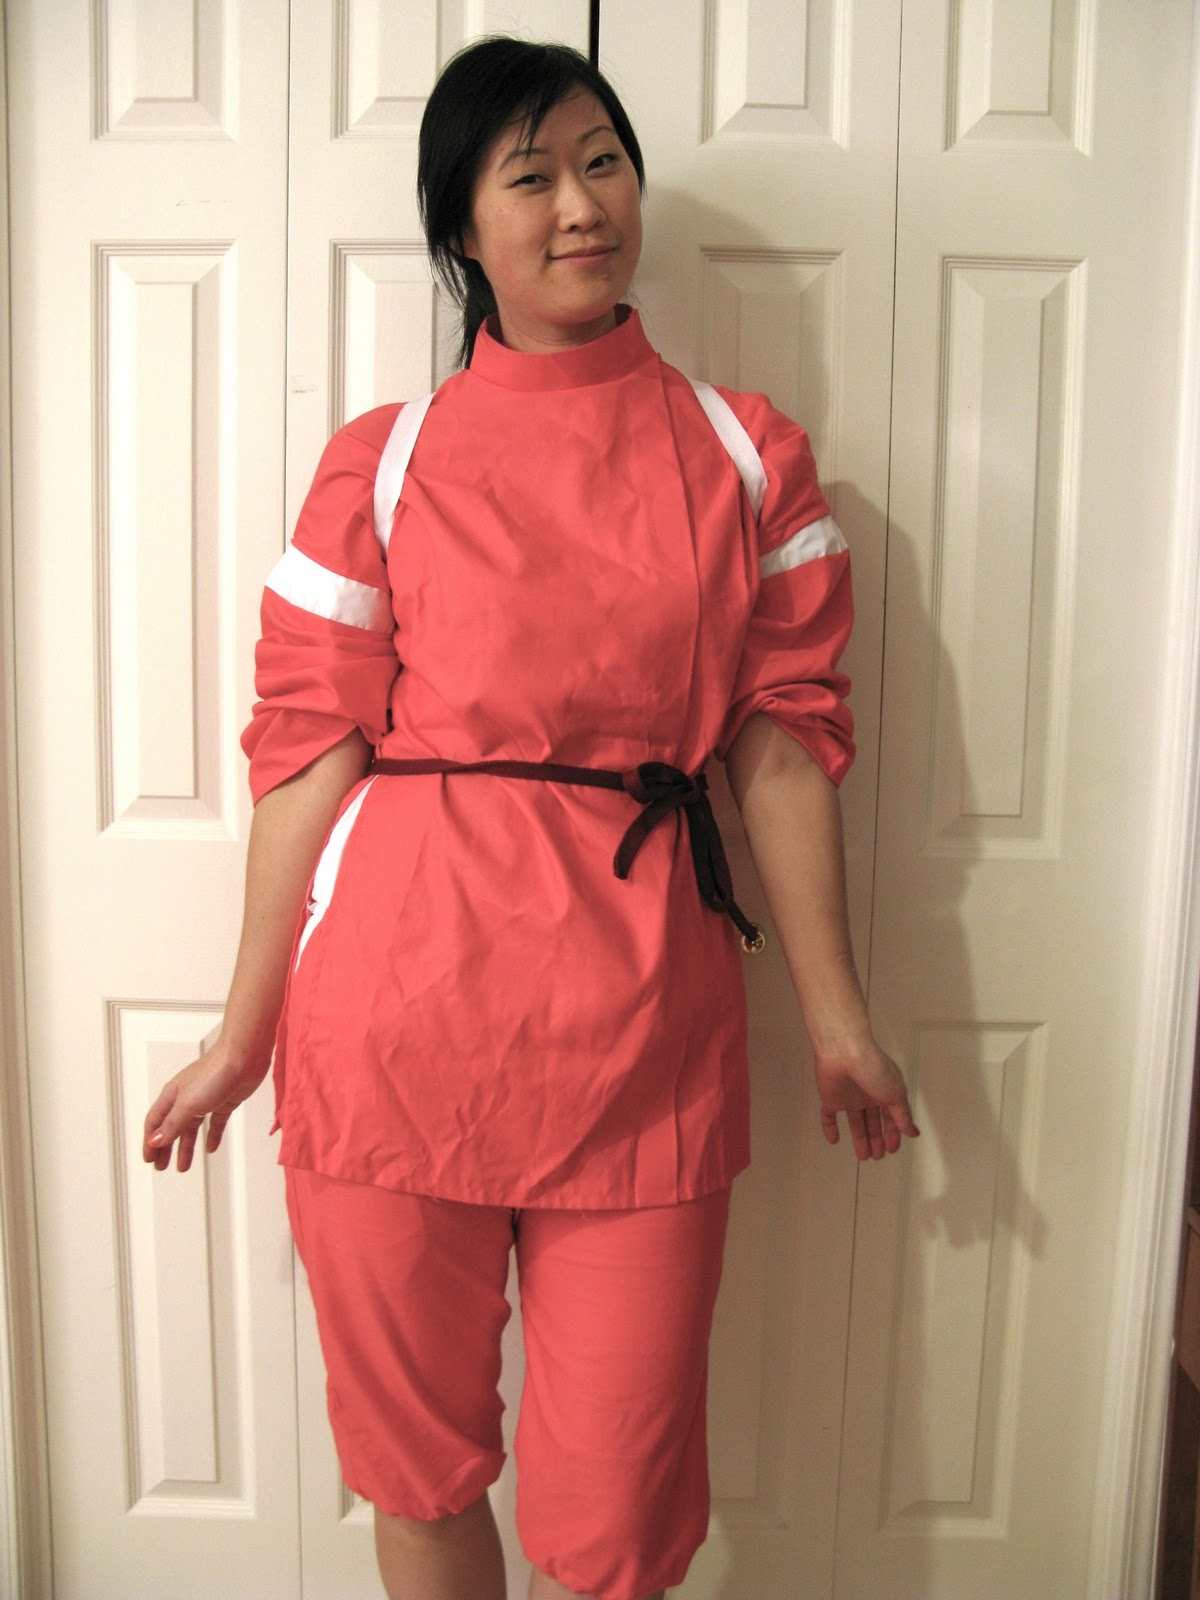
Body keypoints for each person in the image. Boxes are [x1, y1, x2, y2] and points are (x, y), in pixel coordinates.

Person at [141, 33, 919, 1600]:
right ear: (464, 227)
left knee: (618, 1521)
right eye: (532, 175)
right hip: (396, 1032)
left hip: (643, 1035)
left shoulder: (744, 454)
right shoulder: (383, 462)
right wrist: (244, 1031)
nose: (581, 205)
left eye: (603, 162)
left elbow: (782, 743)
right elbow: (306, 753)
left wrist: (838, 1018)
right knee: (415, 1465)